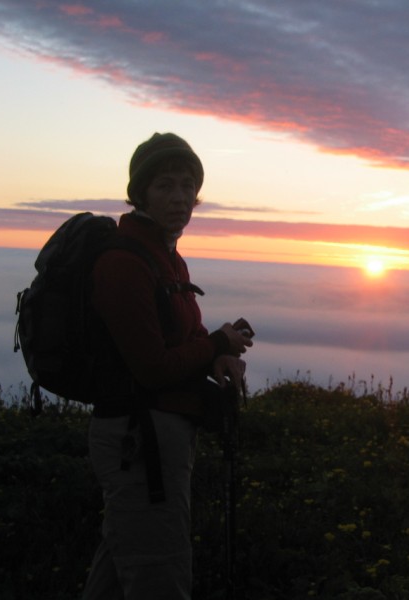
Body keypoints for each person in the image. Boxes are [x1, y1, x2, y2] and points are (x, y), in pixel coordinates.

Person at [82, 132, 254, 599]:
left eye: (187, 186)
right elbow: (152, 367)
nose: (180, 197)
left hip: (156, 437)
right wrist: (215, 341)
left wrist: (218, 351)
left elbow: (184, 337)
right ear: (140, 193)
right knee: (159, 574)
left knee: (122, 568)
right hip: (139, 443)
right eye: (165, 185)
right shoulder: (125, 262)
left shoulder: (166, 255)